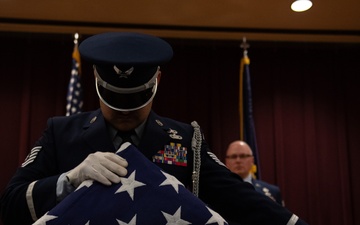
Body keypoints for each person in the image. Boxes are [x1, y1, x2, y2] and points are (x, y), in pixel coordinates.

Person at [0, 32, 308, 225]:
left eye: (134, 101)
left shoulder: (186, 140)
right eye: (116, 101)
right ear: (95, 78)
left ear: (157, 80)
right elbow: (10, 204)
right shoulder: (61, 133)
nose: (125, 114)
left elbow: (242, 198)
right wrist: (68, 180)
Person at [225, 140, 284, 206]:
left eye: (243, 156)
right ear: (226, 161)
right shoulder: (218, 190)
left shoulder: (272, 192)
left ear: (252, 160)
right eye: (233, 157)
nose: (238, 160)